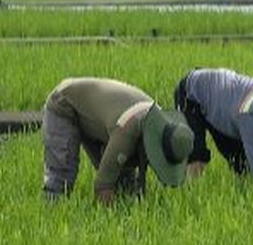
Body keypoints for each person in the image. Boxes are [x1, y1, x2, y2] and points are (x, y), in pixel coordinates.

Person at [42, 77, 193, 205]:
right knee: (62, 176)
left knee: (125, 185)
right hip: (65, 103)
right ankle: (50, 212)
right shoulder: (128, 130)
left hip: (104, 116)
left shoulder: (160, 123)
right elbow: (103, 186)